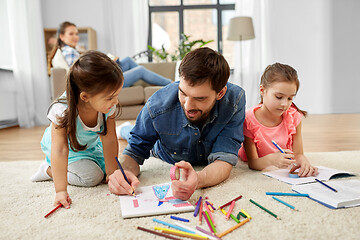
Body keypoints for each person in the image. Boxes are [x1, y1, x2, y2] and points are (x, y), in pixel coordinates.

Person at [108, 47, 246, 200]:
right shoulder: (156, 106)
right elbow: (134, 152)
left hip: (201, 152)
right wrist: (124, 172)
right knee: (131, 133)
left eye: (199, 98)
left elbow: (224, 159)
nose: (187, 106)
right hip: (163, 150)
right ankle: (124, 129)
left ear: (220, 93)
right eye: (183, 93)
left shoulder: (235, 100)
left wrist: (198, 180)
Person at [31, 51, 123, 208]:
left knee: (119, 170)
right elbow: (60, 150)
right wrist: (60, 191)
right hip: (65, 148)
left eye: (117, 95)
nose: (115, 101)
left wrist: (112, 174)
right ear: (85, 97)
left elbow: (110, 140)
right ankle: (48, 169)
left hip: (87, 145)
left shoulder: (108, 107)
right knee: (92, 177)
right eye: (110, 97)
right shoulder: (61, 110)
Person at [238, 63, 318, 177]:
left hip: (281, 161)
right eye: (279, 97)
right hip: (262, 161)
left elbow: (299, 154)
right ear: (262, 90)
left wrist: (303, 161)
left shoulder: (293, 116)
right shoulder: (248, 119)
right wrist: (271, 160)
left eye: (290, 98)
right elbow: (253, 163)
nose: (285, 104)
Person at [48, 21, 172, 88]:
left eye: (76, 33)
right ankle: (171, 83)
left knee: (128, 61)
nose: (76, 37)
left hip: (100, 77)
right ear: (61, 36)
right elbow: (84, 71)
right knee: (139, 71)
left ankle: (158, 82)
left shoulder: (69, 51)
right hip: (100, 82)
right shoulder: (69, 52)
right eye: (71, 34)